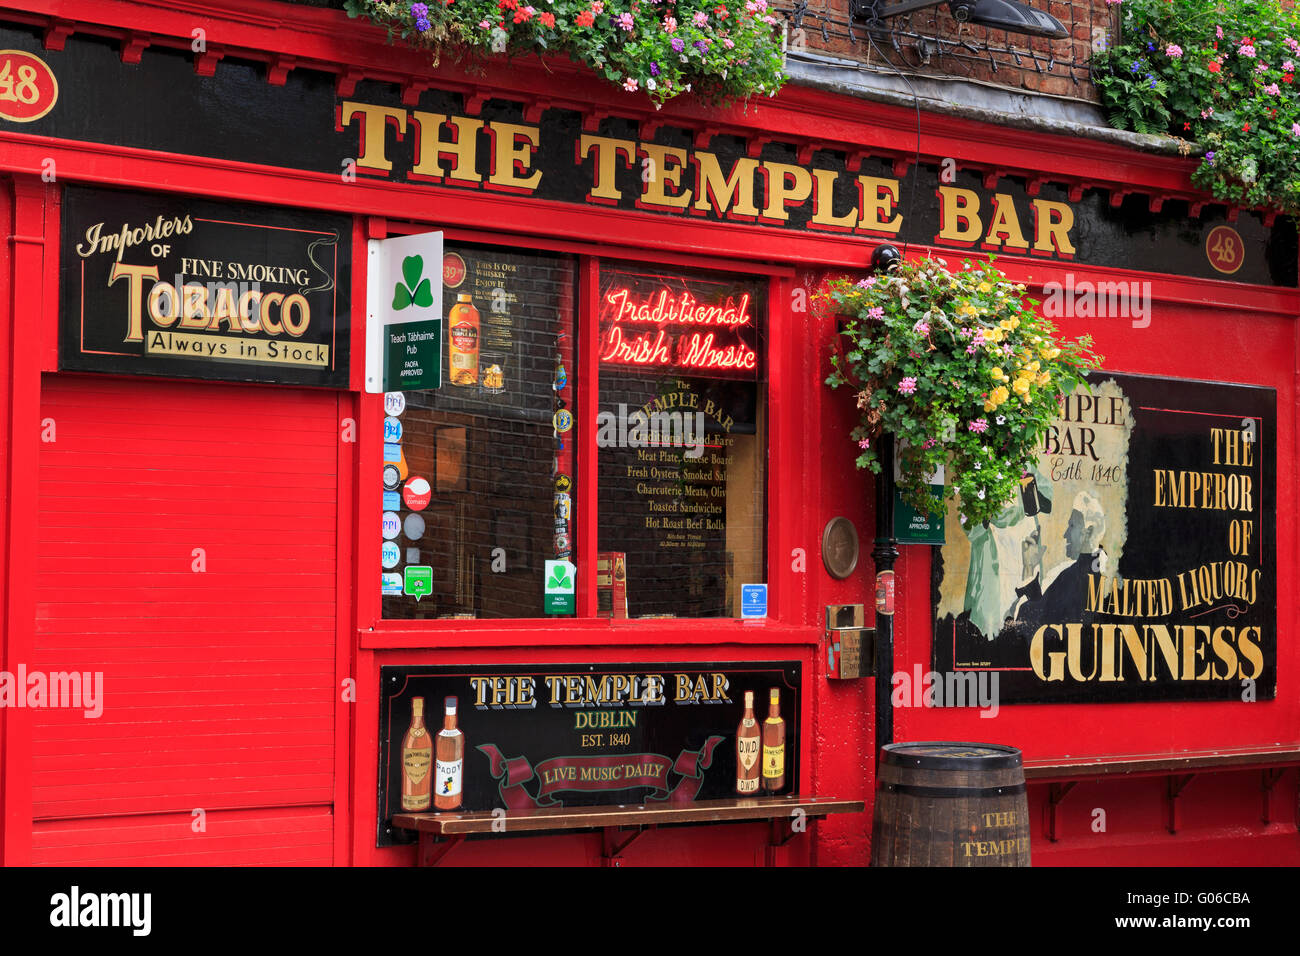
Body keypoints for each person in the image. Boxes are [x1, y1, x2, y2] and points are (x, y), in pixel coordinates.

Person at [1013, 490, 1106, 629]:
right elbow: (1046, 610)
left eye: (1072, 526)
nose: (1065, 534)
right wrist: (1029, 566)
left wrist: (1028, 570)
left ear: (1089, 532)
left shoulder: (1077, 577)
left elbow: (1035, 624)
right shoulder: (1088, 570)